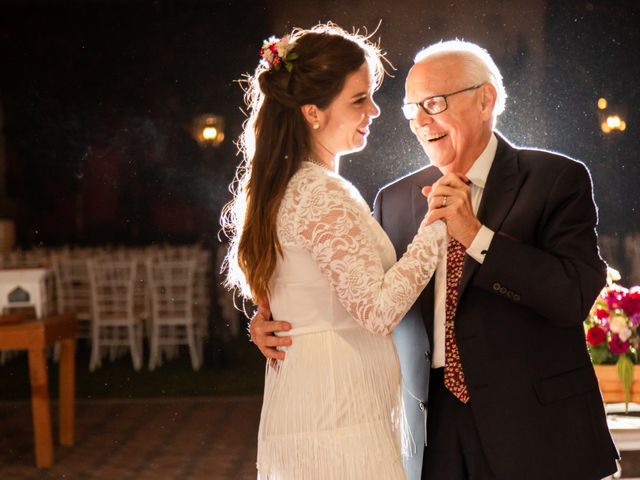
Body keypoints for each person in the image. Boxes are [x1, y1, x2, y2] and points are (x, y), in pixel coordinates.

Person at [250, 39, 620, 480]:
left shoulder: (555, 179)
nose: (420, 121)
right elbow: (359, 288)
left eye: (435, 103)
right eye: (412, 110)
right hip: (430, 431)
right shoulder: (395, 199)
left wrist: (477, 236)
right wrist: (272, 316)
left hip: (536, 430)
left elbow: (572, 296)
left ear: (487, 99)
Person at [222, 23, 446, 479]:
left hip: (307, 400)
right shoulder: (320, 192)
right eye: (359, 98)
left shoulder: (283, 187)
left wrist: (260, 324)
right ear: (312, 112)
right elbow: (378, 311)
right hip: (338, 406)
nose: (374, 110)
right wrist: (437, 226)